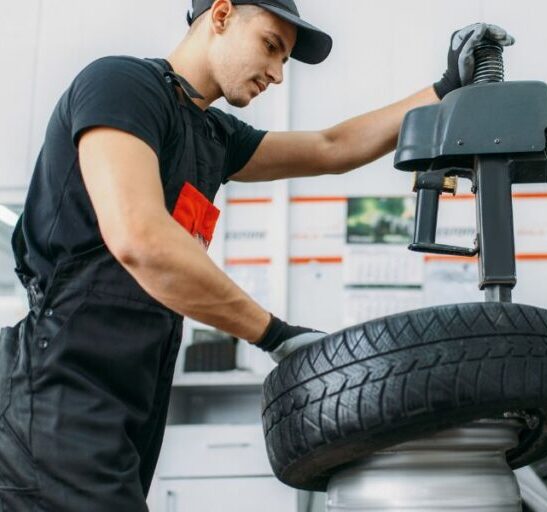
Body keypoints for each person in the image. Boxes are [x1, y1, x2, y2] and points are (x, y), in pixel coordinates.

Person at [0, 0, 514, 509]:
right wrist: (275, 334)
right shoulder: (121, 86)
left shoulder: (212, 135)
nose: (277, 73)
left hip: (127, 396)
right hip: (54, 391)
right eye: (271, 47)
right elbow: (141, 240)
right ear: (221, 15)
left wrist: (445, 90)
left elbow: (331, 147)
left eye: (285, 59)